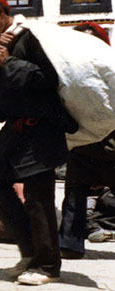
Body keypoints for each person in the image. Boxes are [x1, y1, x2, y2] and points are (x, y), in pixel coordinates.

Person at [0, 0, 77, 285]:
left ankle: (48, 266)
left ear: (1, 13)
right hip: (13, 129)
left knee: (38, 197)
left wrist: (9, 61)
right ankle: (30, 251)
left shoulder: (29, 39)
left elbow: (48, 79)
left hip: (40, 127)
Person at [58, 22, 115, 259]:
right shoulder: (69, 78)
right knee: (73, 196)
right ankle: (70, 244)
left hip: (111, 146)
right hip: (82, 148)